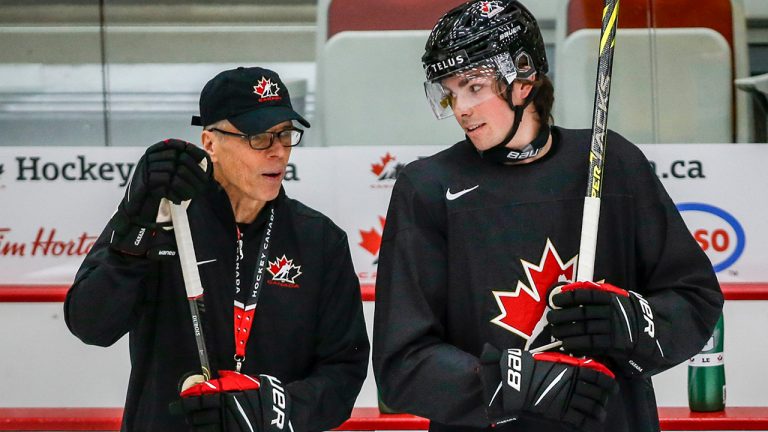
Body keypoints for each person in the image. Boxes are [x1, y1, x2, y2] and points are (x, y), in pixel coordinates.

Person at [372, 2, 723, 432]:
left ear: (524, 77)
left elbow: (696, 299)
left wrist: (632, 322)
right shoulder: (427, 187)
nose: (461, 107)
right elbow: (402, 360)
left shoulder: (612, 162)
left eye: (474, 86)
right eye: (450, 91)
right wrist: (516, 385)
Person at [65, 66, 370, 432]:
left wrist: (269, 411)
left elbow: (344, 371)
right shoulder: (164, 219)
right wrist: (136, 225)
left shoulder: (319, 240)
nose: (277, 152)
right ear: (210, 142)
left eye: (285, 135)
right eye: (259, 137)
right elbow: (90, 325)